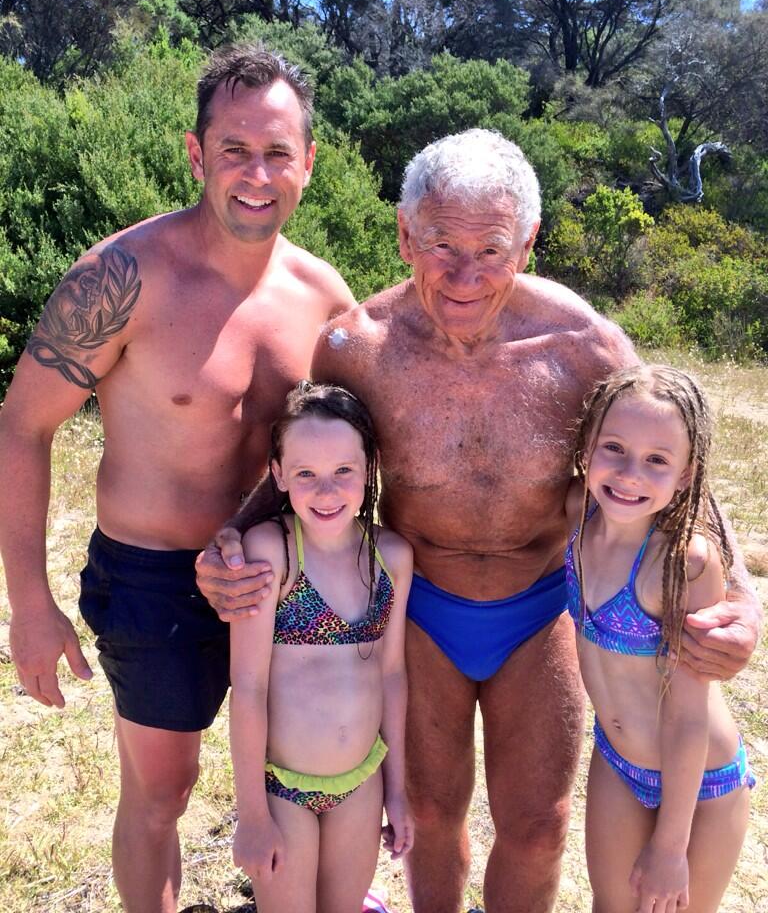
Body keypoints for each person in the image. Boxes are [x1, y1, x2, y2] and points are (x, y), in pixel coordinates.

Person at [198, 128, 762, 913]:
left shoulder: (584, 348)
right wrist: (229, 539)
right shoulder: (359, 348)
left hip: (538, 609)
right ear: (403, 235)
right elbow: (304, 455)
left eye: (492, 249)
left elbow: (679, 464)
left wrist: (743, 602)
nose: (466, 274)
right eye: (440, 245)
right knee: (430, 818)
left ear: (527, 242)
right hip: (421, 609)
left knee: (537, 827)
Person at [0, 44, 355, 913]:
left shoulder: (324, 299)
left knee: (308, 776)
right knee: (162, 793)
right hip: (153, 579)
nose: (257, 174)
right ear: (196, 155)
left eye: (278, 152)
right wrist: (30, 606)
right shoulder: (121, 276)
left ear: (310, 160)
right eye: (234, 150)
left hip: (281, 572)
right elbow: (22, 424)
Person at [565, 365, 754, 912]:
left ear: (686, 474)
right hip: (618, 761)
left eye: (656, 461)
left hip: (702, 784)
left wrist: (671, 848)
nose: (629, 474)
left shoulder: (683, 562)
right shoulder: (577, 515)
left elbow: (689, 713)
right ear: (586, 449)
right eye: (614, 448)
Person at [230, 381, 414, 912]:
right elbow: (248, 685)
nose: (326, 491)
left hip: (361, 782)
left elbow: (393, 675)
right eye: (306, 473)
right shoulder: (273, 552)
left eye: (343, 472)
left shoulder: (391, 557)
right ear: (279, 473)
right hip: (282, 789)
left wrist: (396, 792)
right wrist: (251, 815)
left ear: (369, 468)